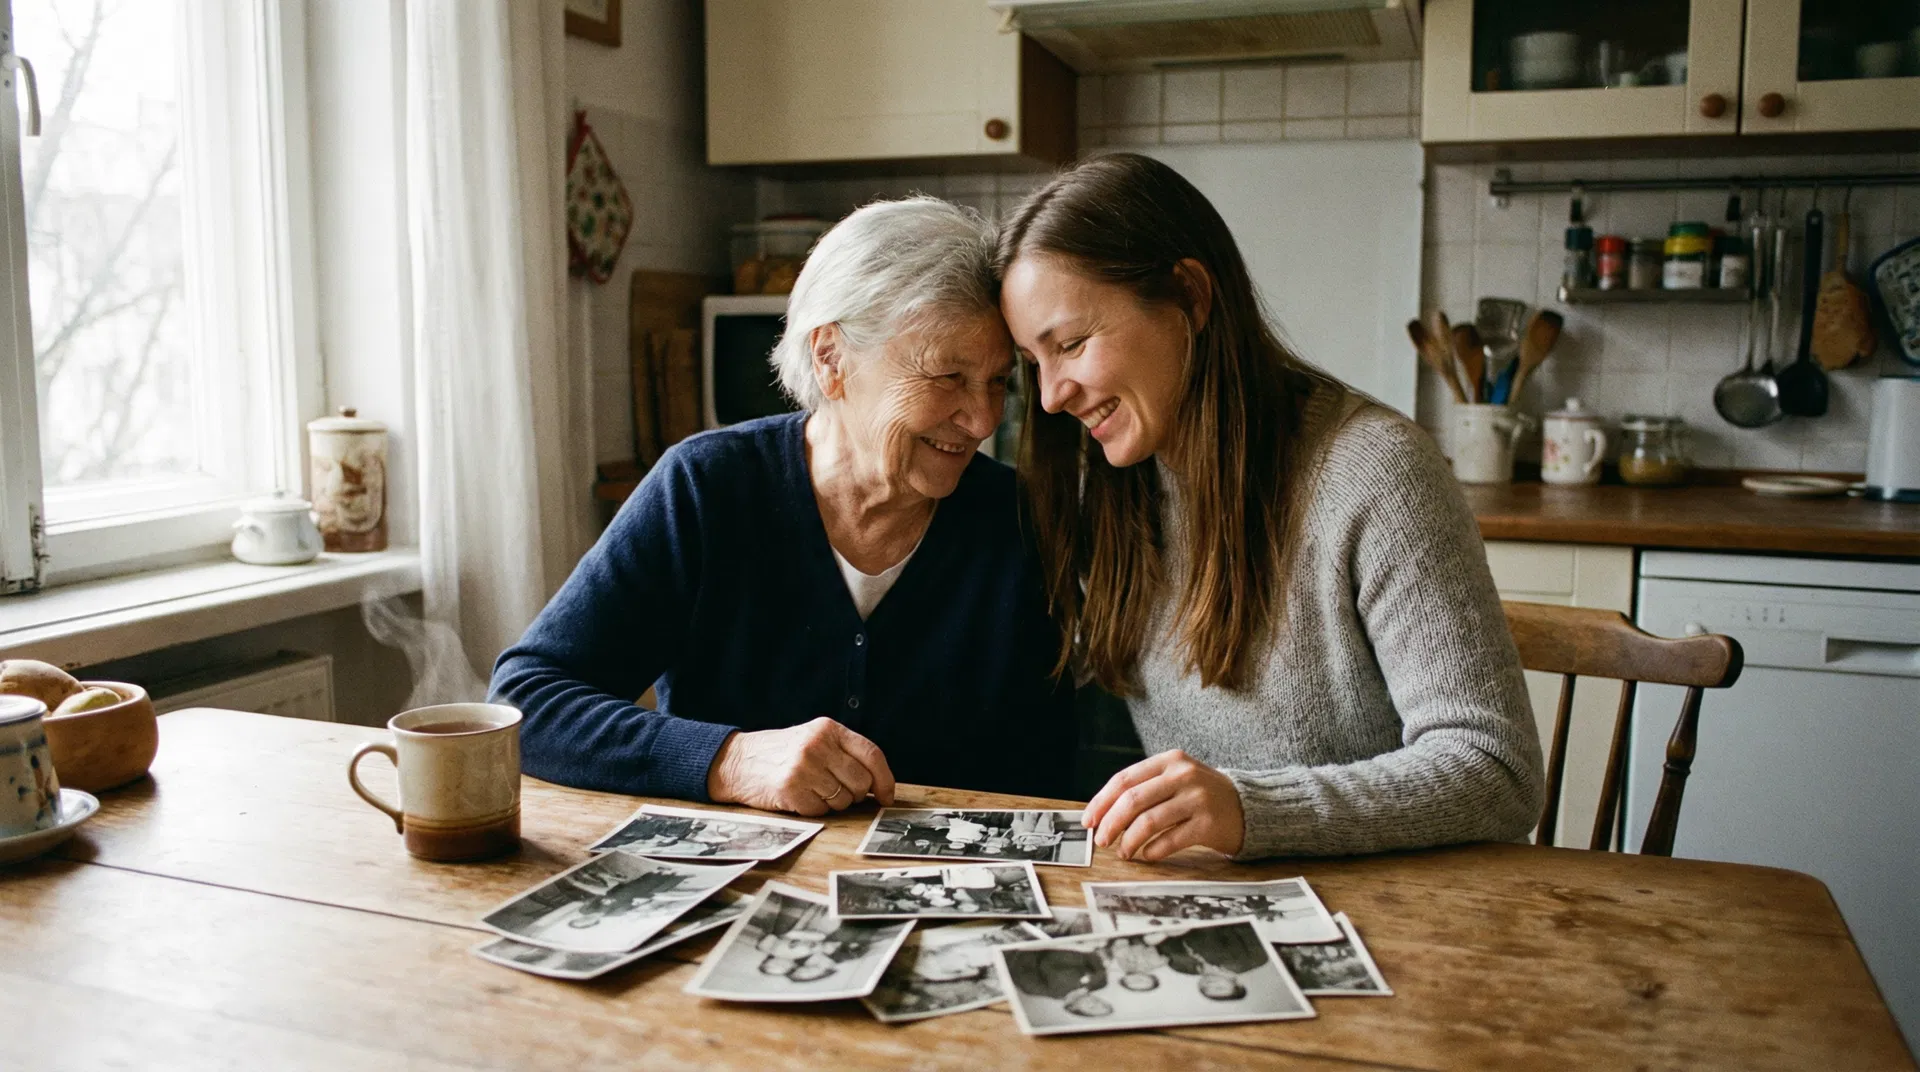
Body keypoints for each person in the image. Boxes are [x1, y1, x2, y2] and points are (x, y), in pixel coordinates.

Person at [994, 152, 1545, 862]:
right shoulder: (1113, 485)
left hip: (1394, 909)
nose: (1050, 396)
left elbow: (1497, 772)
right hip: (1212, 902)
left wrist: (1253, 810)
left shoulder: (1376, 473)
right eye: (1032, 362)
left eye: (1070, 344)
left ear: (1190, 295)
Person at [491, 197, 1076, 814]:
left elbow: (1046, 785)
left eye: (996, 382)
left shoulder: (1020, 522)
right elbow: (525, 703)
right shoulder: (706, 488)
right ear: (831, 359)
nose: (982, 419)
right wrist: (731, 759)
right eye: (947, 376)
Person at [1160, 924, 1268, 1001]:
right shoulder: (1255, 959)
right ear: (1238, 984)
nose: (1211, 985)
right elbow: (1247, 926)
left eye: (1206, 989)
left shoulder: (1180, 968)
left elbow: (1164, 945)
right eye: (1219, 988)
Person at [1006, 948, 1112, 1019]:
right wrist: (1087, 984)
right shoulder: (1100, 983)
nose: (1096, 1002)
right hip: (1070, 944)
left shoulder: (1050, 991)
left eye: (1092, 1007)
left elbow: (1019, 969)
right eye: (1103, 1004)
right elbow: (1095, 958)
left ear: (1073, 1008)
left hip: (1023, 950)